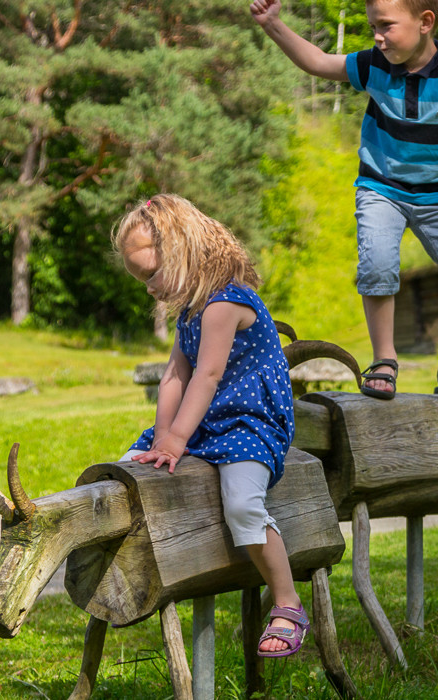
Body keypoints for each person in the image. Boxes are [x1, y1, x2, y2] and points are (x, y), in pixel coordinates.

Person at [251, 0, 438, 403]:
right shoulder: (374, 65)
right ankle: (384, 359)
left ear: (426, 22)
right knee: (377, 262)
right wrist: (273, 24)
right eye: (373, 25)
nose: (376, 35)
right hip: (381, 189)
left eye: (386, 26)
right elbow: (318, 62)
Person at [112, 194, 306, 657]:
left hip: (247, 422)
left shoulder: (224, 303)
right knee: (125, 471)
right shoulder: (189, 313)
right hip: (206, 424)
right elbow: (175, 376)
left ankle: (287, 602)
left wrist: (177, 438)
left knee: (242, 504)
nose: (148, 288)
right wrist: (162, 438)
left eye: (150, 274)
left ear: (179, 251)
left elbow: (207, 374)